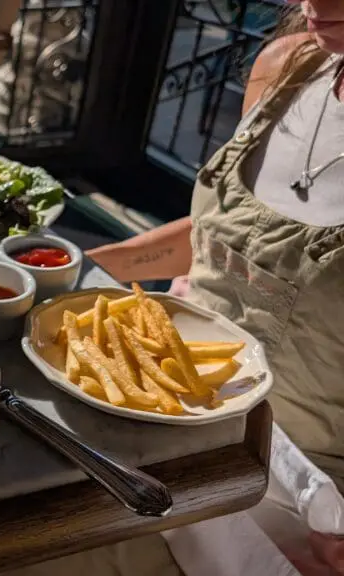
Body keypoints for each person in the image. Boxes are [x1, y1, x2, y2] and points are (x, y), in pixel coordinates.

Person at [85, 1, 344, 573]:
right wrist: (82, 266)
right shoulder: (288, 64)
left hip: (286, 500)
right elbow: (226, 235)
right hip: (152, 421)